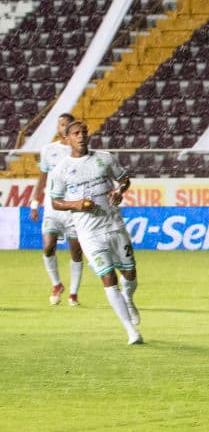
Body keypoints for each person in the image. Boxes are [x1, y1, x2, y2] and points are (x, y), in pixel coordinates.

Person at [47, 121, 142, 345]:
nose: (81, 136)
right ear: (68, 138)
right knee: (108, 278)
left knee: (130, 274)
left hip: (114, 225)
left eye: (84, 132)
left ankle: (128, 298)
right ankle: (131, 331)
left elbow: (124, 180)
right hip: (88, 233)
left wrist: (119, 191)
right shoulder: (61, 169)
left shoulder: (105, 158)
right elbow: (55, 201)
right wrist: (77, 204)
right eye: (76, 133)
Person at [30, 112, 85, 306]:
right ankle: (56, 284)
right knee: (48, 246)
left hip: (73, 209)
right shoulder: (48, 150)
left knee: (76, 252)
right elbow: (42, 179)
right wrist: (35, 202)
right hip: (52, 207)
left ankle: (73, 293)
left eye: (65, 125)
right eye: (60, 124)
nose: (61, 128)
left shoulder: (79, 151)